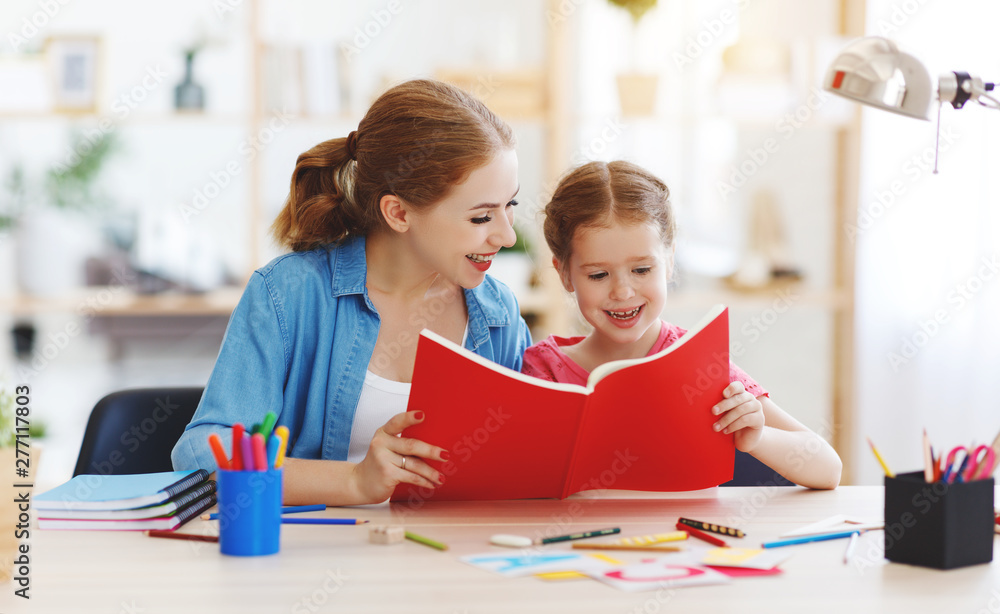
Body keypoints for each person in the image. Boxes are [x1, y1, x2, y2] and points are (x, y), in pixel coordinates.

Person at [172, 79, 532, 505]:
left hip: (445, 556)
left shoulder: (497, 311)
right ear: (398, 212)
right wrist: (355, 482)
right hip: (312, 556)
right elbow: (204, 458)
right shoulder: (289, 295)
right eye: (480, 218)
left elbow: (522, 457)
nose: (507, 237)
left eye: (510, 206)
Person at [522, 160, 842, 489]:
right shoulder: (543, 369)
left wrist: (757, 439)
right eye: (599, 275)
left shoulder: (699, 361)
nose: (622, 292)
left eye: (642, 270)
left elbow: (828, 468)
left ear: (670, 261)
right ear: (564, 274)